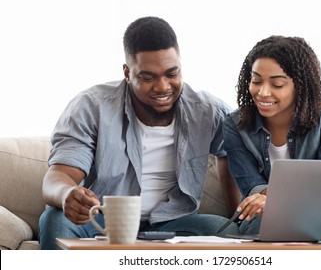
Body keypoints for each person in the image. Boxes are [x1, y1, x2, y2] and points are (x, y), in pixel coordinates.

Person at [39, 16, 240, 249]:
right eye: (148, 77)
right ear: (127, 72)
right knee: (56, 218)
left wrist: (238, 213)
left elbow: (233, 151)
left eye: (172, 74)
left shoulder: (208, 112)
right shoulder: (92, 107)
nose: (163, 86)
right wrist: (66, 194)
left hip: (174, 221)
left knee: (223, 229)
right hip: (105, 219)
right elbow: (57, 177)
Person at [222, 35, 321, 234]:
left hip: (318, 216)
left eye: (277, 84)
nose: (262, 92)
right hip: (258, 220)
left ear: (301, 86)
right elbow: (251, 185)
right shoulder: (235, 125)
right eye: (256, 81)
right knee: (261, 223)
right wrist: (275, 203)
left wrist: (277, 202)